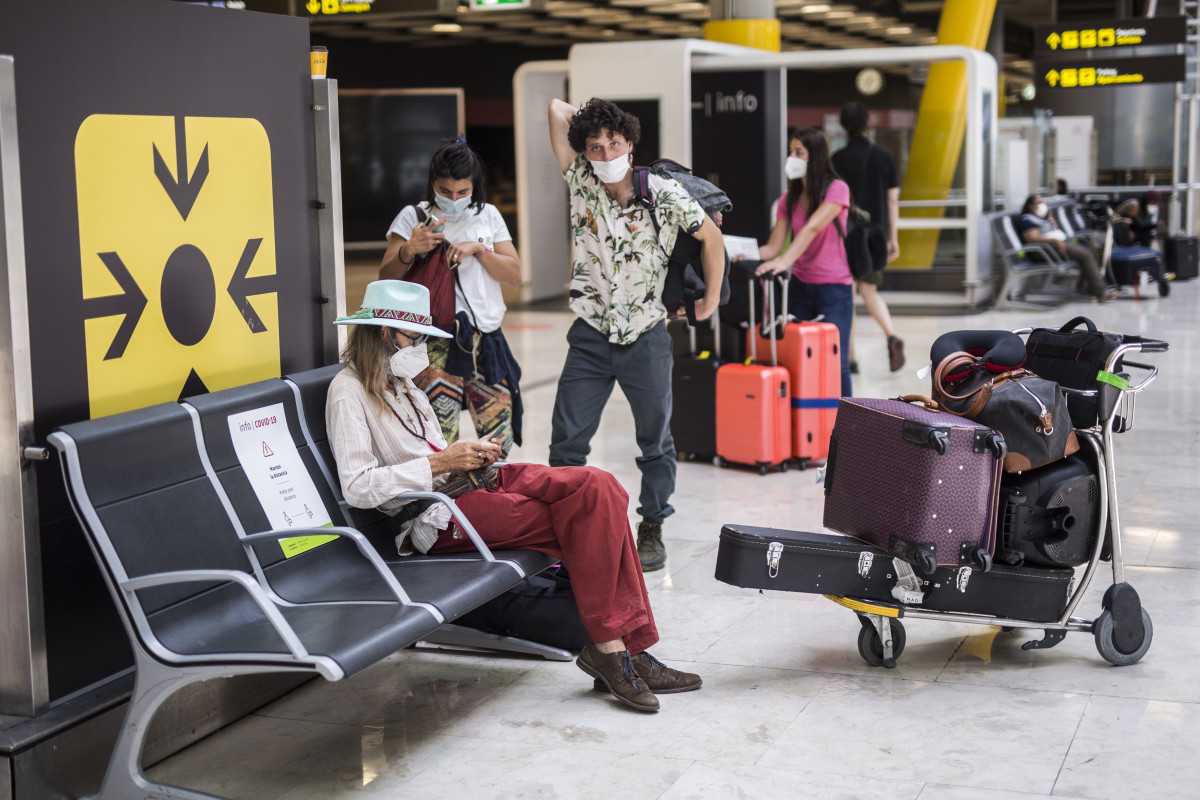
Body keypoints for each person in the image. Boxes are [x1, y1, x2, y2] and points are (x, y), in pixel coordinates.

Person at [326, 280, 702, 713]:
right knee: (590, 519)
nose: (422, 347)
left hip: (465, 485)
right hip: (434, 517)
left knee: (602, 488)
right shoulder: (348, 392)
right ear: (383, 333)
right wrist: (441, 464)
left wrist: (466, 456)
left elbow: (433, 454)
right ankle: (621, 651)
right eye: (415, 337)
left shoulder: (405, 387)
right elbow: (356, 486)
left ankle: (617, 651)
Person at [546, 98, 725, 573]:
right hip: (589, 333)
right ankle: (564, 523)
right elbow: (555, 107)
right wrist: (593, 122)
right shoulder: (580, 181)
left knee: (655, 440)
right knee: (567, 441)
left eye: (615, 144)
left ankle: (652, 524)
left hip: (646, 334)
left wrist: (710, 299)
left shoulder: (662, 192)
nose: (605, 155)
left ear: (630, 144)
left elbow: (711, 239)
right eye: (595, 147)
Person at [379, 140, 523, 457]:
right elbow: (385, 279)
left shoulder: (488, 215)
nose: (454, 199)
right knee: (438, 440)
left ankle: (489, 502)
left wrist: (480, 249)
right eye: (445, 191)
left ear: (474, 186)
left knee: (499, 443)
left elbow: (514, 276)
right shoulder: (412, 216)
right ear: (433, 184)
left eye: (462, 192)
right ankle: (447, 505)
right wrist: (409, 249)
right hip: (432, 344)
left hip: (485, 341)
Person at [755, 127, 855, 397]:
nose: (792, 157)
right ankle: (808, 420)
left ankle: (846, 428)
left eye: (799, 152)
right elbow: (773, 246)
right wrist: (742, 251)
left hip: (833, 288)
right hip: (799, 287)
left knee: (837, 362)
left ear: (816, 156)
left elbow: (812, 228)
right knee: (799, 358)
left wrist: (785, 261)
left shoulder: (837, 189)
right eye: (791, 151)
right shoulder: (790, 198)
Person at [832, 102, 905, 374]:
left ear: (843, 126)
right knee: (870, 292)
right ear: (868, 123)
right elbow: (893, 200)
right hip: (876, 238)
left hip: (847, 238)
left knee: (848, 293)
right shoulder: (884, 156)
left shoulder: (837, 159)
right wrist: (892, 237)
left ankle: (850, 358)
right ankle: (891, 335)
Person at [1017, 194, 1117, 303]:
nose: (1042, 206)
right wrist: (1055, 241)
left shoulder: (1041, 218)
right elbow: (1032, 238)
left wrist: (1050, 217)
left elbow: (1054, 229)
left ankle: (1089, 289)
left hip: (1055, 245)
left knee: (1090, 250)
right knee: (1085, 254)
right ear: (1030, 206)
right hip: (1044, 249)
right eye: (1038, 203)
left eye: (1042, 203)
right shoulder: (1027, 220)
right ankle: (1100, 293)